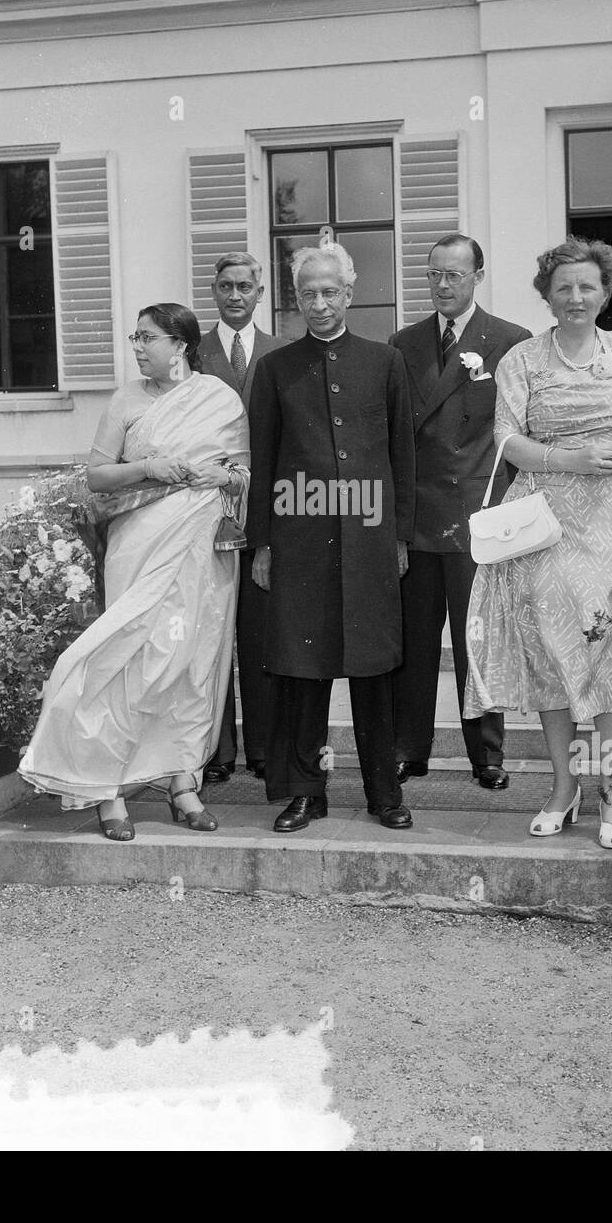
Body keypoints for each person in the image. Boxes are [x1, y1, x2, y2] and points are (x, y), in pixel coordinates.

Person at [462, 237, 612, 849]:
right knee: (551, 648)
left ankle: (611, 790)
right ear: (547, 296)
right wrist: (573, 457)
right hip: (543, 517)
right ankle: (563, 786)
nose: (576, 297)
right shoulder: (521, 361)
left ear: (605, 291)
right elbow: (508, 440)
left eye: (587, 286)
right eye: (564, 288)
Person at [18, 304, 250, 841]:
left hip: (201, 547)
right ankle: (107, 791)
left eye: (148, 338)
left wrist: (224, 477)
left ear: (180, 346)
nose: (138, 347)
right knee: (127, 658)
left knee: (193, 659)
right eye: (135, 338)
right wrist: (149, 467)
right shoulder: (125, 399)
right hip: (139, 546)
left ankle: (182, 781)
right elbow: (96, 477)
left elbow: (242, 474)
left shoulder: (219, 398)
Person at [247, 241, 416, 832]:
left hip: (369, 537)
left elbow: (402, 454)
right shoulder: (274, 369)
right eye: (307, 293)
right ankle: (304, 793)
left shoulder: (384, 362)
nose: (319, 303)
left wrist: (399, 536)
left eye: (329, 292)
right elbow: (262, 459)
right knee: (302, 671)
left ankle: (384, 794)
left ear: (349, 293)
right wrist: (262, 543)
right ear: (296, 300)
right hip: (298, 541)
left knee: (373, 671)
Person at [389, 234, 530, 791]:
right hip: (420, 514)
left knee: (478, 641)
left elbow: (519, 431)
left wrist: (505, 510)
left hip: (478, 513)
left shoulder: (510, 341)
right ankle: (409, 749)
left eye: (454, 275)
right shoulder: (404, 343)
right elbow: (398, 435)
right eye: (434, 275)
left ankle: (487, 756)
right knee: (415, 642)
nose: (443, 285)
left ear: (477, 276)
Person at [196, 253, 285, 785]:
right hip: (205, 511)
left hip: (261, 509)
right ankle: (216, 749)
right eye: (226, 286)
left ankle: (263, 749)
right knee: (211, 633)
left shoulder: (280, 351)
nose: (235, 295)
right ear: (214, 290)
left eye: (245, 287)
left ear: (260, 292)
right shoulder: (194, 352)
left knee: (259, 634)